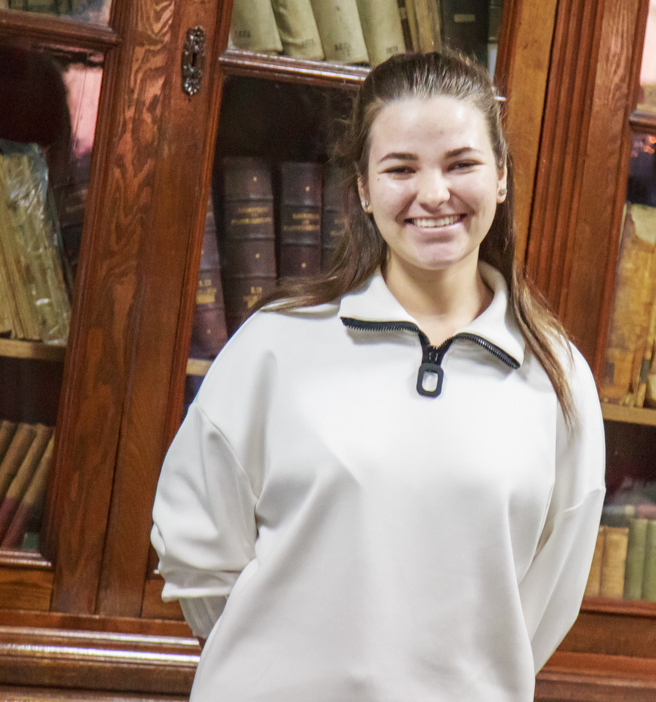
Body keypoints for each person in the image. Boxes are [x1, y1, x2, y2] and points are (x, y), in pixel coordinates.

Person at [150, 51, 606, 701]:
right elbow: (198, 551)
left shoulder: (557, 378)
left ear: (502, 176)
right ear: (363, 189)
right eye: (400, 169)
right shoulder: (276, 345)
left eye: (461, 164)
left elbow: (545, 600)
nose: (434, 194)